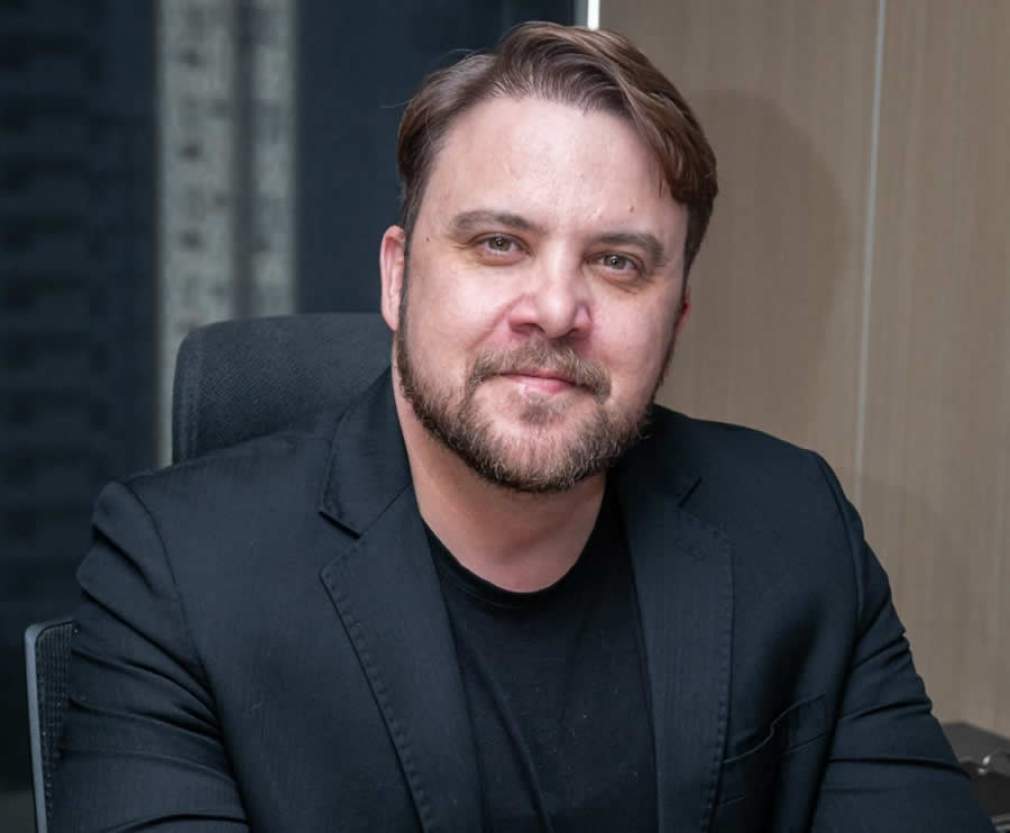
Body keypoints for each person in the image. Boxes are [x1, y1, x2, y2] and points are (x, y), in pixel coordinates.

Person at [54, 22, 992, 833]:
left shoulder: (797, 530)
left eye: (619, 263)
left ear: (675, 318)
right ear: (397, 277)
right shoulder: (174, 574)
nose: (554, 308)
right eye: (499, 243)